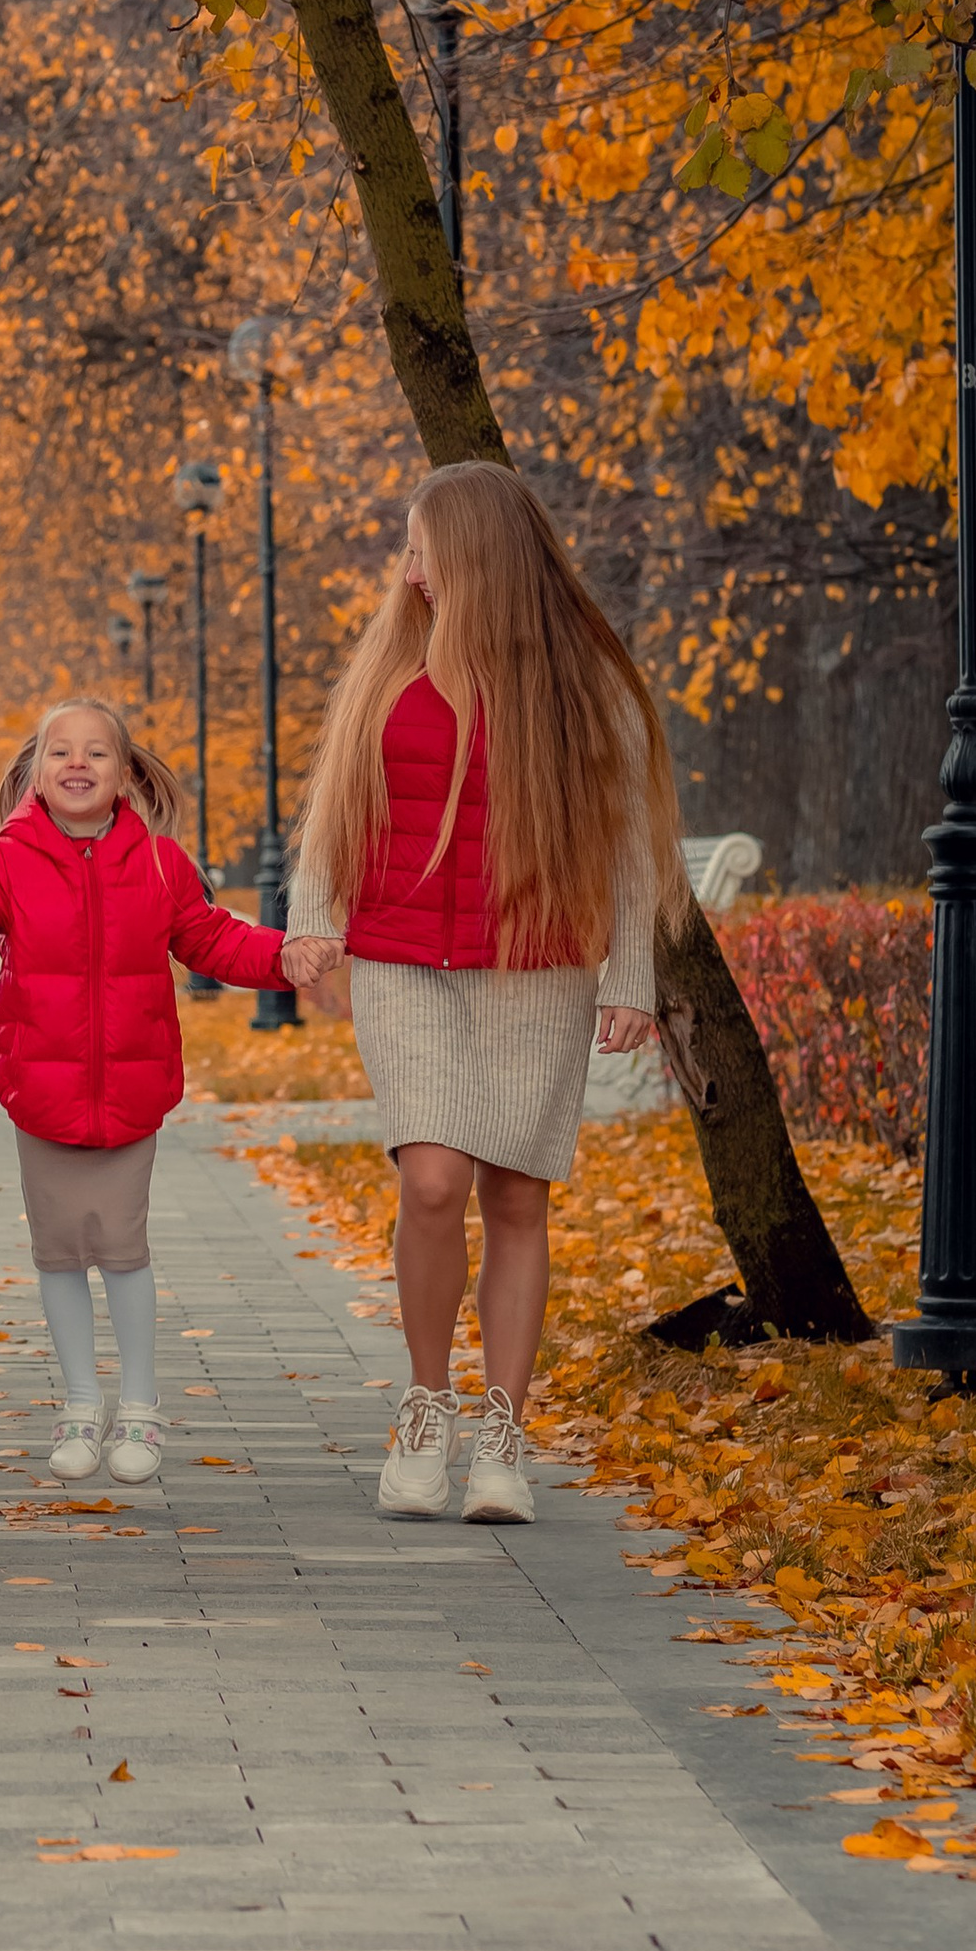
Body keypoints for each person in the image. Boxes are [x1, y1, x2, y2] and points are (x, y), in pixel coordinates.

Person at [280, 464, 686, 1526]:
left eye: (418, 548)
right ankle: (426, 1403)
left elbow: (633, 847)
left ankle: (502, 1433)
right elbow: (337, 807)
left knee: (513, 1194)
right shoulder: (390, 664)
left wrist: (631, 978)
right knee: (430, 1178)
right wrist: (312, 921)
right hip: (406, 963)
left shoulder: (583, 685)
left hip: (536, 967)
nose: (405, 569)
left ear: (473, 557)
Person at [0, 699, 292, 1483]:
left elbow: (213, 938)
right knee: (61, 1251)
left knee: (122, 1245)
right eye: (60, 752)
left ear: (126, 774)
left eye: (97, 753)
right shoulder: (7, 861)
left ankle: (139, 1406)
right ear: (35, 772)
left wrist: (285, 957)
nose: (78, 763)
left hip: (133, 1085)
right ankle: (80, 1402)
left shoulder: (161, 864)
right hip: (42, 1087)